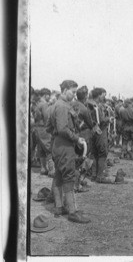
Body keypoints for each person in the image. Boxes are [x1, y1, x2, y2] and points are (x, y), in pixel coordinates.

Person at [47, 80, 90, 223]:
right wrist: (76, 138)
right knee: (69, 176)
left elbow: (49, 128)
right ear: (65, 90)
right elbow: (63, 129)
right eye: (72, 91)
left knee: (59, 175)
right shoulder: (63, 107)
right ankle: (72, 211)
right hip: (65, 146)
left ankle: (59, 207)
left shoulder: (54, 106)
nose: (74, 94)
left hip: (57, 144)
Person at [33, 88, 55, 176]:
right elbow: (47, 117)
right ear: (46, 95)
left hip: (37, 128)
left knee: (41, 148)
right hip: (44, 128)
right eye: (48, 95)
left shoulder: (38, 104)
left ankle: (43, 168)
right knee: (49, 148)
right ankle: (52, 170)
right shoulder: (44, 104)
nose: (49, 97)